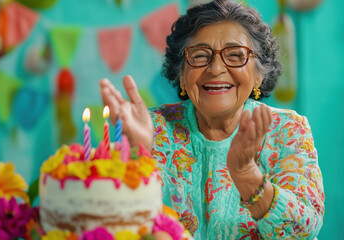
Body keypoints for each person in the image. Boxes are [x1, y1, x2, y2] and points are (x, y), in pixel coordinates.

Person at [100, 0, 325, 239]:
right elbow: (106, 222)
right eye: (199, 55)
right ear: (182, 75)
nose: (216, 68)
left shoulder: (288, 130)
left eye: (236, 55)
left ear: (259, 75)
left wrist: (247, 175)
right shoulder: (151, 128)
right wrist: (137, 154)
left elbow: (304, 231)